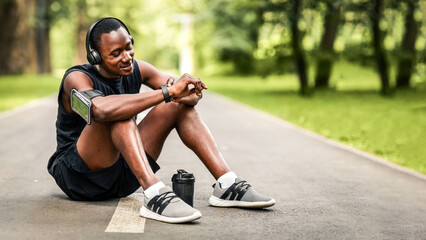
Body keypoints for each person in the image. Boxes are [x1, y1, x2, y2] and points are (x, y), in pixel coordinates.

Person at [48, 17, 275, 224]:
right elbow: (100, 109)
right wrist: (167, 92)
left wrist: (187, 90)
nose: (126, 57)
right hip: (79, 177)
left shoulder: (139, 69)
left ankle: (227, 184)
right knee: (119, 112)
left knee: (177, 105)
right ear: (95, 56)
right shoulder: (76, 78)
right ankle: (155, 194)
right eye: (116, 53)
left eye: (129, 47)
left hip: (122, 176)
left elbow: (187, 94)